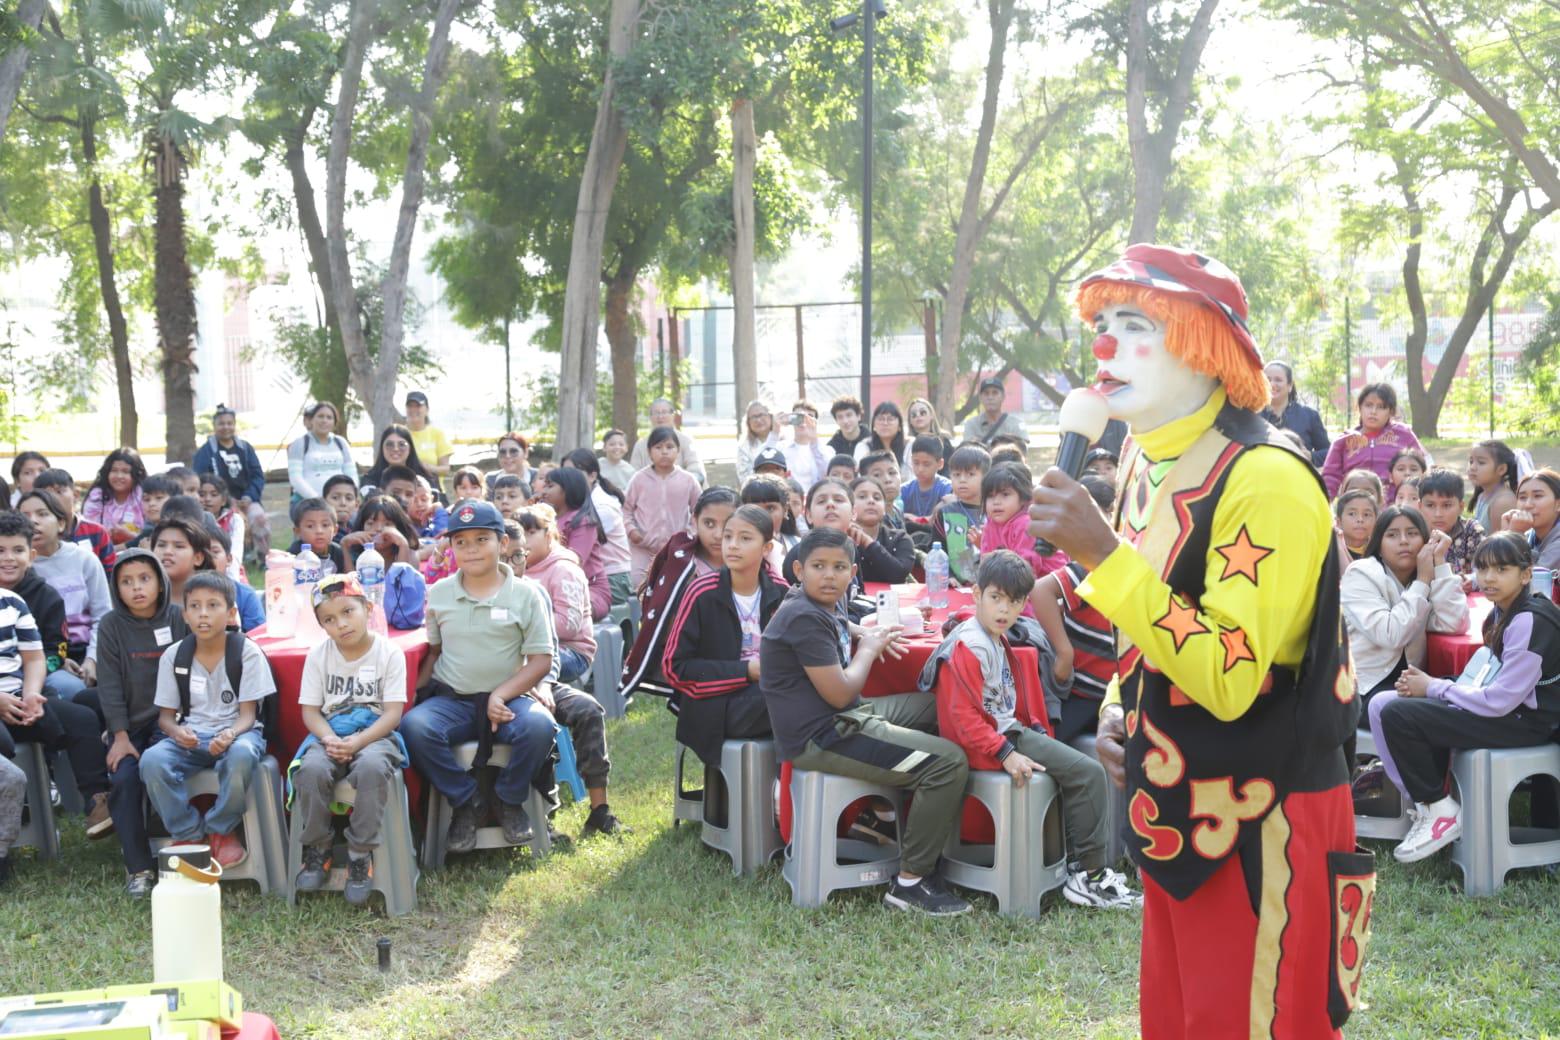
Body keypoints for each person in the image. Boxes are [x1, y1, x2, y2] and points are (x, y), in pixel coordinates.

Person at [1026, 244, 1363, 1038]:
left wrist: (1102, 553)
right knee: (1179, 1021)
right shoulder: (1147, 455)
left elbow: (1232, 673)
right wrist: (1120, 708)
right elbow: (1153, 616)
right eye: (1102, 324)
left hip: (1266, 810)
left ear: (1207, 345)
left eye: (1134, 324)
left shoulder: (1267, 477)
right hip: (1178, 807)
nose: (1104, 346)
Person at [762, 526, 971, 915]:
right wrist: (870, 649)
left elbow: (841, 626)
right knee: (948, 763)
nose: (829, 575)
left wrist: (863, 629)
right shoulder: (802, 616)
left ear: (852, 571)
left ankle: (914, 829)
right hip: (825, 735)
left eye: (839, 567)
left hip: (847, 717)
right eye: (818, 566)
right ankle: (911, 882)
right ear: (797, 570)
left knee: (941, 706)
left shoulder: (824, 600)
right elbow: (841, 693)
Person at [925, 549, 1137, 908]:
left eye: (1014, 601)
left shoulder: (994, 633)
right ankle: (1092, 875)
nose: (1004, 610)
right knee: (1089, 774)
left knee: (1078, 769)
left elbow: (1006, 700)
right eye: (996, 599)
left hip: (1006, 734)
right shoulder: (971, 644)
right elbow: (963, 717)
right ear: (977, 595)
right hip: (993, 743)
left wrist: (1034, 726)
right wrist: (1005, 752)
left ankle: (1079, 864)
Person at [1368, 532, 1560, 864]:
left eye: (1502, 570)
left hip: (1526, 723)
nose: (1489, 578)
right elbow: (1491, 680)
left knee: (1400, 715)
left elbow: (1501, 700)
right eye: (1482, 569)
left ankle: (1438, 809)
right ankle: (1429, 807)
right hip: (1507, 711)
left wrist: (1435, 688)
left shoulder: (1531, 619)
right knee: (1385, 703)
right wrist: (1439, 685)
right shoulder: (1503, 610)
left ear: (1526, 574)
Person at [399, 501, 557, 851]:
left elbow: (541, 660)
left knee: (540, 728)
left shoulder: (525, 594)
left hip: (510, 699)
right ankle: (466, 800)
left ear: (502, 543)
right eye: (461, 542)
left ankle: (509, 799)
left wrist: (502, 694)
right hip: (454, 700)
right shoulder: (439, 594)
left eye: (481, 539)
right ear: (450, 548)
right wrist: (411, 694)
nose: (470, 550)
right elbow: (435, 652)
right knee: (414, 727)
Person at [140, 573, 273, 868]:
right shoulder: (174, 656)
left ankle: (221, 828)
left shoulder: (246, 652)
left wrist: (229, 734)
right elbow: (165, 719)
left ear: (230, 613)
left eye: (213, 605)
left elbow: (248, 715)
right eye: (195, 606)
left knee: (241, 754)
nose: (203, 614)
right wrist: (178, 733)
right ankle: (187, 832)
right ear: (184, 614)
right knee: (152, 761)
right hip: (192, 735)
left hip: (238, 733)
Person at [291, 574, 408, 905]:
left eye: (347, 612)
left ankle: (360, 853)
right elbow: (311, 713)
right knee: (310, 770)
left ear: (367, 608)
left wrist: (357, 743)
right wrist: (330, 740)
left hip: (375, 732)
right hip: (331, 732)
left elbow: (392, 714)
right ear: (321, 626)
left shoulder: (389, 653)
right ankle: (318, 846)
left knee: (371, 768)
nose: (340, 624)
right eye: (329, 619)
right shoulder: (319, 656)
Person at [503, 519, 624, 838]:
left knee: (588, 709)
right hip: (501, 690)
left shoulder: (534, 593)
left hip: (540, 682)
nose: (513, 565)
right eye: (505, 557)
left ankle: (600, 810)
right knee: (539, 723)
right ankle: (545, 817)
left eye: (518, 556)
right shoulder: (479, 596)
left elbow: (550, 653)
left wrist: (544, 684)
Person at [87, 549, 187, 895]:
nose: (137, 588)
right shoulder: (111, 626)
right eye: (126, 582)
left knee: (160, 770)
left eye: (144, 578)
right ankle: (139, 868)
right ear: (116, 589)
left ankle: (186, 850)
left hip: (172, 723)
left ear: (160, 582)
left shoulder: (178, 618)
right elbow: (109, 684)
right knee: (126, 779)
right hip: (128, 728)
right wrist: (119, 735)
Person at [0, 555, 113, 843]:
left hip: (19, 699)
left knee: (81, 717)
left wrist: (32, 694)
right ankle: (20, 819)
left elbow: (35, 657)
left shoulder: (12, 603)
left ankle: (98, 804)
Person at [662, 505, 786, 765]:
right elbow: (674, 668)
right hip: (715, 707)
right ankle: (782, 787)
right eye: (728, 536)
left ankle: (785, 783)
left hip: (770, 693)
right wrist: (747, 671)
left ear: (767, 549)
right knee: (792, 699)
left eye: (745, 538)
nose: (732, 545)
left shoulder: (780, 593)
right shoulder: (702, 592)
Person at [1341, 506, 1468, 709]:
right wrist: (1423, 581)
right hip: (1364, 688)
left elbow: (1453, 623)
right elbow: (1391, 634)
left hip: (1409, 685)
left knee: (1465, 695)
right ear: (1379, 545)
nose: (1403, 541)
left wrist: (1440, 563)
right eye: (1392, 535)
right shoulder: (1360, 574)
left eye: (1412, 533)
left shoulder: (1422, 575)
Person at [619, 488, 739, 701]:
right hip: (692, 657)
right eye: (709, 524)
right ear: (694, 520)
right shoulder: (682, 563)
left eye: (727, 525)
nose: (718, 534)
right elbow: (666, 615)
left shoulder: (747, 561)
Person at [1029, 475, 1118, 745]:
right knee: (1053, 746)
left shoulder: (1122, 557)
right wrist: (1064, 651)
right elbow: (1040, 590)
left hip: (1116, 694)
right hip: (1085, 691)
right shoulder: (1090, 565)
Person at [18, 490, 110, 679]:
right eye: (24, 516)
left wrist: (92, 660)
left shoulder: (85, 560)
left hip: (87, 648)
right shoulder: (17, 568)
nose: (33, 521)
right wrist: (57, 660)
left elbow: (103, 616)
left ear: (61, 523)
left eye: (42, 514)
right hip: (42, 654)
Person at [0, 511, 81, 706]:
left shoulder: (48, 597)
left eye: (18, 550)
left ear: (31, 556)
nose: (9, 558)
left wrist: (26, 675)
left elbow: (57, 650)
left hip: (35, 675)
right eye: (0, 551)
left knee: (69, 686)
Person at [514, 505, 596, 684]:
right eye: (518, 535)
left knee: (518, 667)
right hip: (527, 646)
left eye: (530, 533)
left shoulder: (564, 570)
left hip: (569, 651)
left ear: (548, 535)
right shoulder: (515, 568)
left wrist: (523, 624)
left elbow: (569, 625)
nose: (523, 541)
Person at [624, 426, 703, 589]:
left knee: (675, 589)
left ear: (678, 450)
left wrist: (689, 534)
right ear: (649, 452)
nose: (664, 452)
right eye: (658, 447)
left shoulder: (688, 480)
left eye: (669, 447)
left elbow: (700, 511)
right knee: (640, 588)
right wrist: (632, 531)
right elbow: (626, 510)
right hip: (643, 549)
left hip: (677, 550)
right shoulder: (639, 479)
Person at [192, 404, 271, 563]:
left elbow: (257, 476)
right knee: (233, 521)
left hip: (247, 500)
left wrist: (249, 497)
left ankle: (264, 558)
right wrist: (226, 500)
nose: (226, 427)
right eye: (221, 423)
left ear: (234, 425)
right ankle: (233, 558)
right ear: (214, 426)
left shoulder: (245, 449)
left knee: (259, 518)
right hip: (219, 502)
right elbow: (201, 479)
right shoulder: (206, 452)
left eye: (229, 423)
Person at [1321, 382, 1425, 498]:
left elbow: (1425, 467)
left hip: (1395, 507)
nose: (1373, 411)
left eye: (1381, 407)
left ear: (1391, 411)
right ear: (1360, 407)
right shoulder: (1343, 441)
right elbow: (1330, 478)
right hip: (1355, 506)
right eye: (1368, 405)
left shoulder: (1404, 435)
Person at [561, 449, 633, 609]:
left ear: (592, 476)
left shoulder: (602, 507)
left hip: (613, 578)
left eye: (575, 473)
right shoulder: (579, 502)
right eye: (565, 473)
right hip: (591, 576)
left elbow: (577, 556)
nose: (569, 479)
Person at [539, 467, 611, 621]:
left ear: (568, 489)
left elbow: (574, 562)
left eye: (550, 486)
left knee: (556, 612)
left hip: (589, 591)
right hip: (551, 587)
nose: (544, 491)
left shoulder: (583, 521)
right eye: (544, 485)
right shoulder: (548, 519)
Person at [980, 462, 1065, 584]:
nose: (996, 502)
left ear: (1023, 498)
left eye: (1005, 494)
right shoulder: (990, 525)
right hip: (1013, 582)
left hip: (1048, 582)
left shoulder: (1025, 524)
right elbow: (986, 562)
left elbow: (1027, 570)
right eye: (990, 496)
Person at [34, 469, 114, 571]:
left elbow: (110, 574)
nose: (53, 498)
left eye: (59, 491)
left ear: (75, 495)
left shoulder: (97, 532)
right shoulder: (35, 535)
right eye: (46, 494)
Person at [1259, 360, 1329, 467]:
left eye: (1278, 380)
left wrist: (1311, 456)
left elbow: (1329, 452)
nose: (1272, 384)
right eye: (1267, 379)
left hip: (1300, 479)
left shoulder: (1309, 416)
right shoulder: (1251, 416)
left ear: (1290, 385)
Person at [847, 478, 915, 584]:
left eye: (877, 498)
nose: (871, 501)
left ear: (884, 509)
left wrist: (867, 542)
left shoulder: (900, 539)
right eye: (862, 496)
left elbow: (898, 575)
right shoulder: (840, 540)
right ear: (849, 506)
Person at [1417, 469, 1484, 576]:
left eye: (1447, 505)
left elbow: (1485, 569)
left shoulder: (1471, 531)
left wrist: (1470, 580)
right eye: (1430, 505)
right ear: (1420, 507)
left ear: (1461, 507)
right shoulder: (1414, 534)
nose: (1438, 514)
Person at [287, 402, 356, 503]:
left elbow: (352, 474)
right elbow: (295, 478)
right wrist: (317, 500)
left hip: (340, 502)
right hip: (307, 502)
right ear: (311, 420)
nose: (324, 420)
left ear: (334, 422)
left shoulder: (341, 443)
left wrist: (350, 495)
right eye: (320, 416)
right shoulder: (299, 443)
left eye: (329, 417)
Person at [628, 398, 707, 485]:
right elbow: (633, 475)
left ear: (673, 415)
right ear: (650, 417)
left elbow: (697, 470)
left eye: (664, 412)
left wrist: (680, 483)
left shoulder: (686, 440)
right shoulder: (641, 445)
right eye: (656, 413)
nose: (660, 417)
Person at [82, 447, 148, 544]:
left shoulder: (143, 496)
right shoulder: (97, 496)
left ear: (136, 474)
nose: (119, 476)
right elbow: (89, 530)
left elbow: (151, 533)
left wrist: (129, 536)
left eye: (125, 471)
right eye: (114, 470)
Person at [739, 475, 798, 576]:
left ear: (785, 509)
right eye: (753, 508)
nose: (762, 515)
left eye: (770, 508)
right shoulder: (735, 549)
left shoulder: (799, 546)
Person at [341, 495, 420, 569]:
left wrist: (403, 544)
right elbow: (351, 582)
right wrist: (344, 545)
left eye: (387, 524)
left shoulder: (410, 555)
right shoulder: (355, 554)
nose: (378, 529)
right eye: (370, 523)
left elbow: (401, 581)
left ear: (399, 528)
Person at [206, 529, 263, 631]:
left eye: (215, 552)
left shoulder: (245, 595)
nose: (208, 558)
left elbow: (257, 636)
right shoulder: (184, 594)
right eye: (202, 553)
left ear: (229, 559)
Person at [1503, 469, 1560, 570]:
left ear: (1558, 504)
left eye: (1538, 496)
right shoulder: (1530, 534)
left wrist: (1515, 535)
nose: (1528, 505)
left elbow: (1532, 578)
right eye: (1522, 497)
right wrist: (1505, 534)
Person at [197, 475, 246, 578]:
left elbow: (235, 554)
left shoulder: (234, 520)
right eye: (202, 494)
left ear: (224, 500)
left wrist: (232, 580)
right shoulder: (192, 520)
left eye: (214, 495)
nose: (207, 499)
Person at [363, 424, 439, 491]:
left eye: (402, 444)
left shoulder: (427, 478)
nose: (395, 449)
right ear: (382, 448)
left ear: (410, 448)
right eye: (390, 444)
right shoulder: (369, 480)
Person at [1468, 439, 1519, 533]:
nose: (1472, 467)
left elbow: (1498, 545)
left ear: (1501, 469)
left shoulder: (1502, 502)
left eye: (1481, 462)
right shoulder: (1482, 495)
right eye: (1471, 461)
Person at [962, 376, 1028, 449]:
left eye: (995, 393)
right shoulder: (971, 425)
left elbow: (1023, 450)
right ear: (980, 398)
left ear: (1003, 397)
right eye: (986, 393)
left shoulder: (1016, 424)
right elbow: (967, 451)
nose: (990, 397)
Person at [289, 498, 348, 575]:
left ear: (335, 530)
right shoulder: (292, 555)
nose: (319, 531)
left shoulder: (337, 552)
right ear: (297, 531)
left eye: (325, 525)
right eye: (310, 526)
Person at [403, 391, 455, 479]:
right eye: (410, 406)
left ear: (427, 410)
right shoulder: (399, 433)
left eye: (418, 406)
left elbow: (445, 469)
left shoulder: (437, 434)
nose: (413, 409)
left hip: (432, 487)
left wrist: (428, 468)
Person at [780, 400, 829, 491]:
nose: (803, 421)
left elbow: (827, 475)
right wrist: (776, 429)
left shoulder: (827, 450)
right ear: (791, 419)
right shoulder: (781, 448)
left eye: (809, 417)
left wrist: (814, 440)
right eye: (798, 417)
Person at [899, 435, 953, 519]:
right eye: (916, 463)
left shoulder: (948, 488)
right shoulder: (904, 490)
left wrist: (915, 519)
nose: (920, 469)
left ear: (940, 464)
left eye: (926, 464)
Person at [859, 451, 905, 530]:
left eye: (892, 473)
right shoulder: (868, 518)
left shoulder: (897, 511)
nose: (888, 480)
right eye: (877, 475)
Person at [853, 401, 908, 469]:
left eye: (890, 419)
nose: (885, 423)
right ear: (873, 425)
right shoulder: (864, 446)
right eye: (880, 419)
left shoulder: (909, 446)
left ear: (899, 425)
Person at [735, 401, 778, 486]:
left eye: (761, 415)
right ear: (748, 422)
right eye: (754, 417)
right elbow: (744, 478)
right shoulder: (744, 447)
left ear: (771, 416)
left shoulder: (784, 440)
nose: (758, 420)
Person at [905, 398, 954, 472]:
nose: (918, 416)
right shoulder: (907, 444)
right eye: (913, 415)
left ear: (931, 415)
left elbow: (950, 470)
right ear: (910, 421)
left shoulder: (944, 440)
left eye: (923, 412)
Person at [1333, 488, 1378, 566]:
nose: (1360, 519)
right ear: (1339, 522)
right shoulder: (1332, 551)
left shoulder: (1380, 553)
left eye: (1366, 514)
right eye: (1352, 514)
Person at [322, 474, 359, 540]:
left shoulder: (359, 530)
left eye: (349, 498)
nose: (343, 503)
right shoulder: (321, 535)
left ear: (356, 505)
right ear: (324, 502)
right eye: (335, 498)